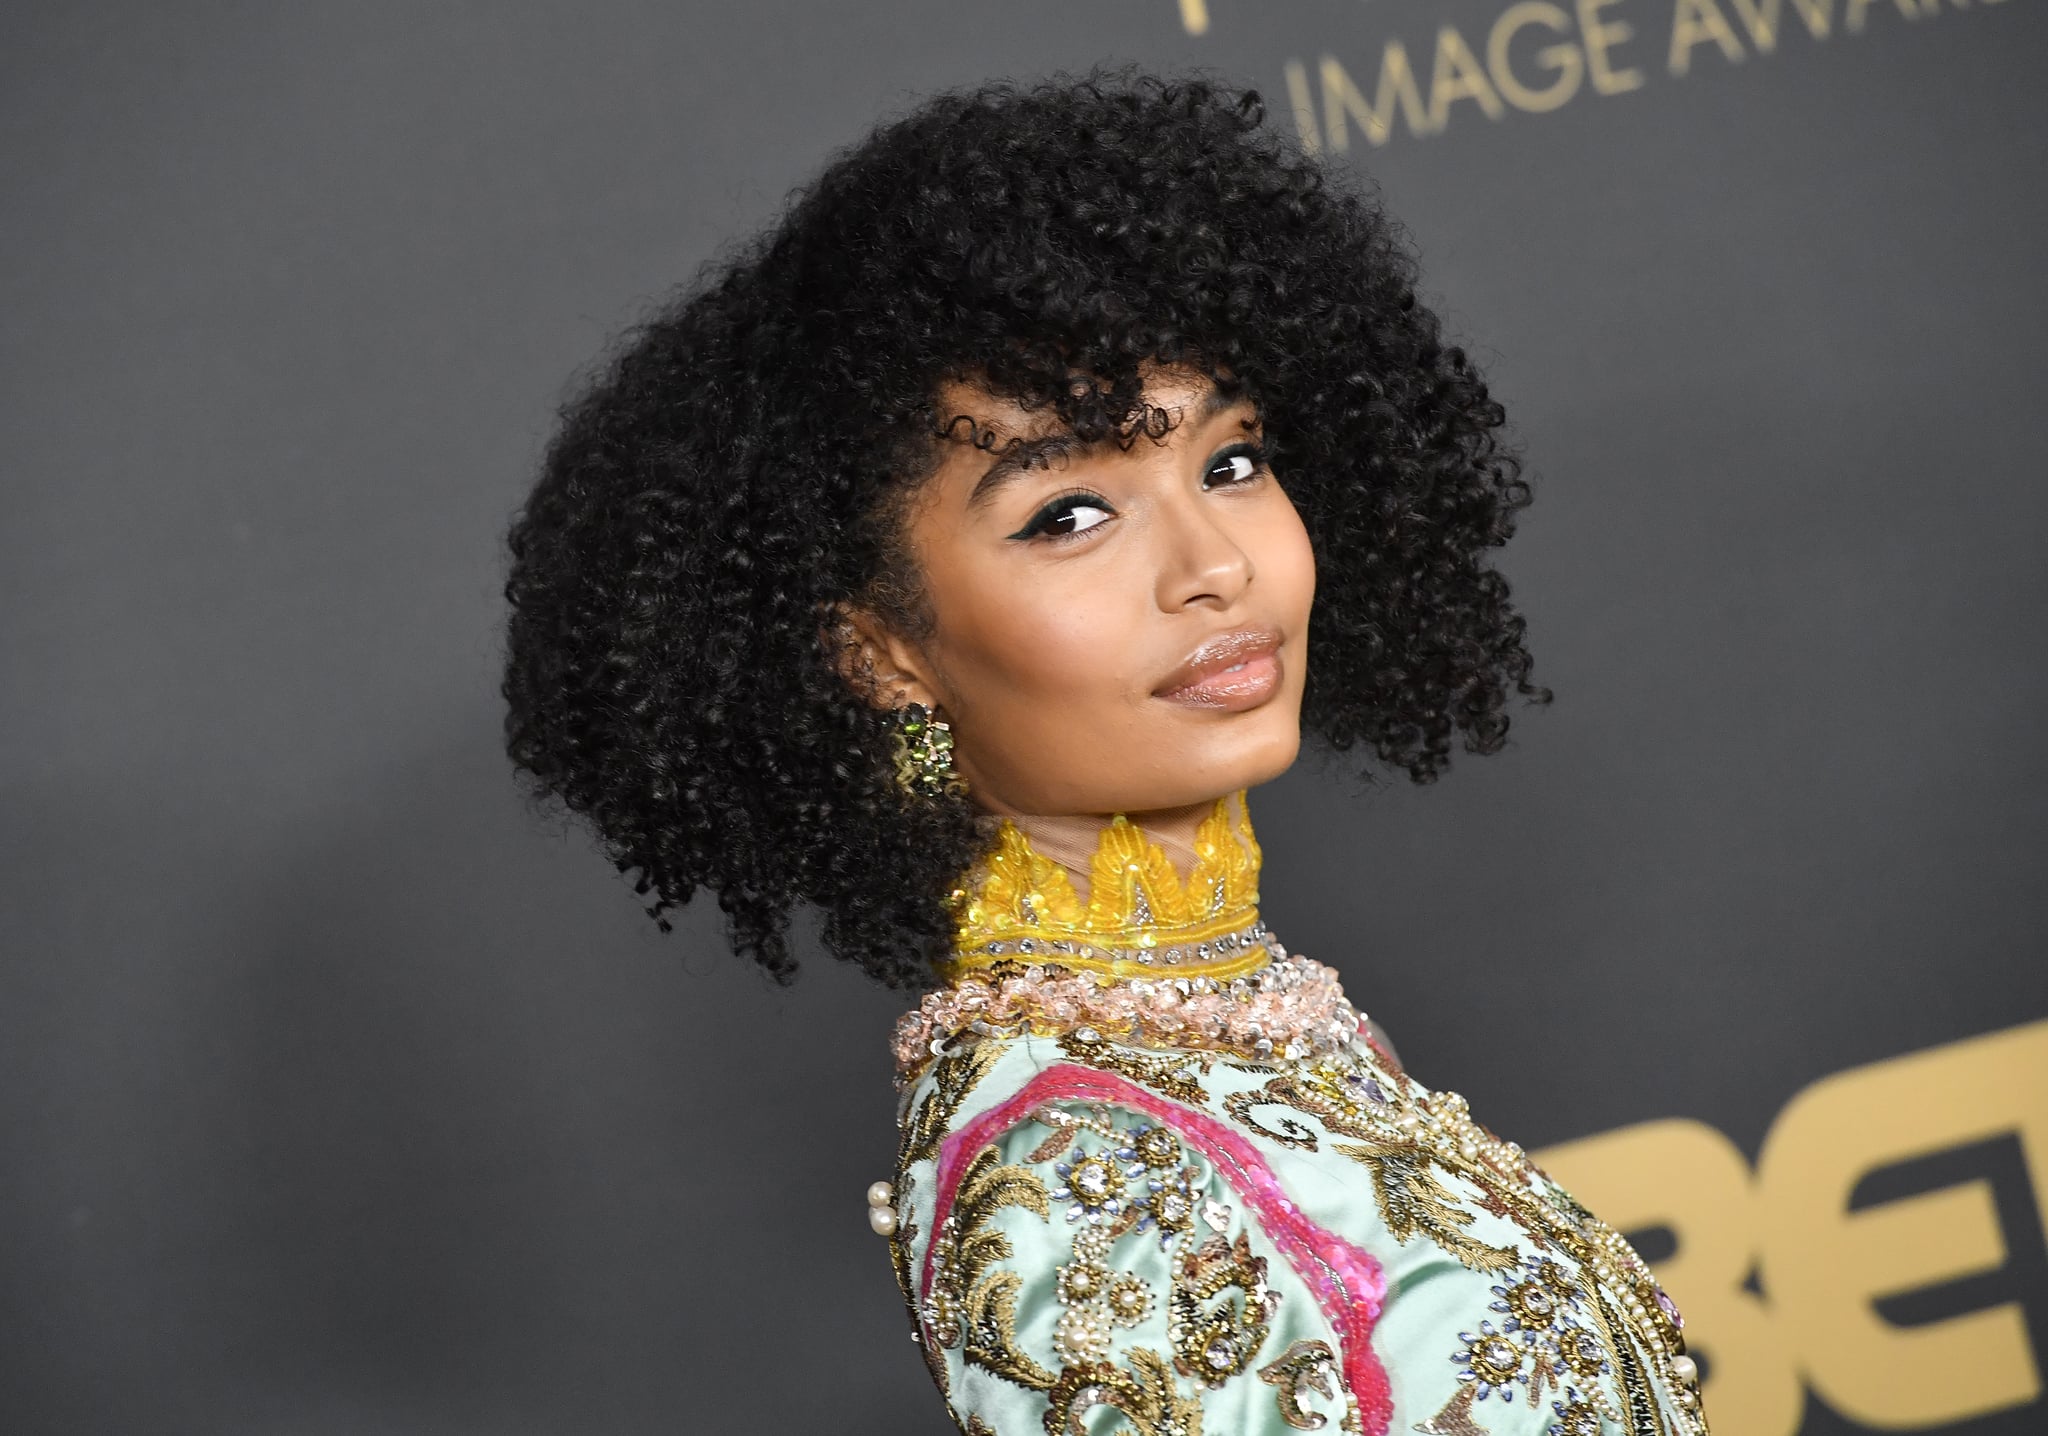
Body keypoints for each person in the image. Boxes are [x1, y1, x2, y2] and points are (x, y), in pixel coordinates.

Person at [500, 66, 1708, 1436]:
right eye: (1070, 512)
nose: (1212, 567)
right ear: (877, 650)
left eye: (1230, 460)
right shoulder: (1075, 1167)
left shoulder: (1234, 1016)